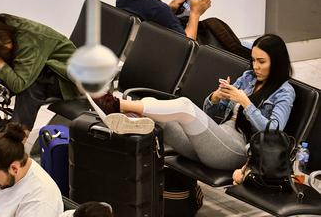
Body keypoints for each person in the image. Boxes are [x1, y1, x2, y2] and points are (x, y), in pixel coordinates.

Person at [102, 34, 295, 171]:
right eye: (253, 60)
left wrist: (246, 103)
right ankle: (131, 120)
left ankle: (118, 105)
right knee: (156, 110)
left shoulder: (285, 92)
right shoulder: (249, 78)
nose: (255, 66)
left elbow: (273, 132)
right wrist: (216, 98)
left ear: (276, 62)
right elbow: (209, 115)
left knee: (184, 106)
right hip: (212, 141)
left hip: (237, 151)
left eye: (262, 61)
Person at [0, 14, 80, 129]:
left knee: (30, 87)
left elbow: (19, 85)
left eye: (6, 42)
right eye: (1, 46)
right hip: (37, 66)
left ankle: (16, 137)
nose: (7, 46)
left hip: (67, 77)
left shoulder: (30, 41)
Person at [116, 0, 211, 40]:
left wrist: (169, 10)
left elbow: (148, 13)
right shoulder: (160, 10)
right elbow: (187, 45)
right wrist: (195, 13)